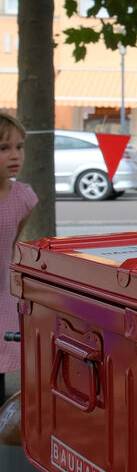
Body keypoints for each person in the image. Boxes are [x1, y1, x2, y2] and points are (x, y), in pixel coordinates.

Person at [0, 113, 38, 400]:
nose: (15, 155)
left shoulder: (22, 198)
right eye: (4, 148)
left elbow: (10, 244)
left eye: (19, 146)